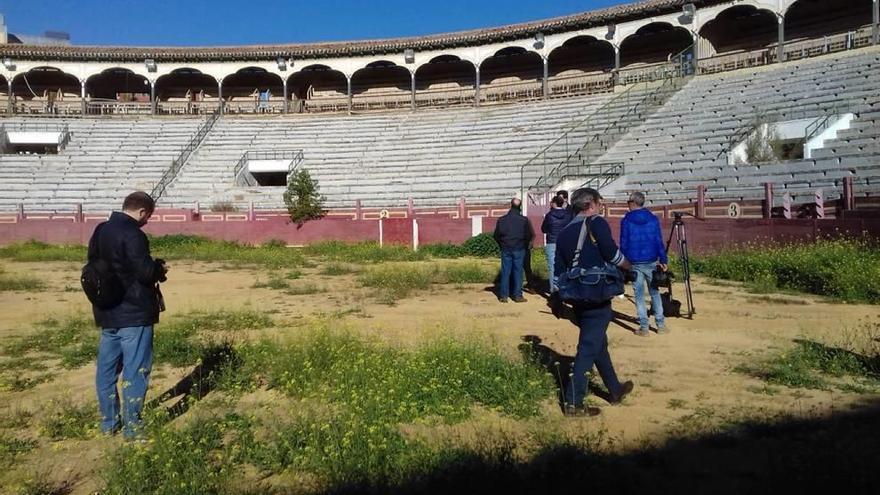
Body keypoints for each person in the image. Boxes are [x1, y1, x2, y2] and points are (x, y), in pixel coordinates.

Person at [89, 191, 168, 439]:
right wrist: (159, 268)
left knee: (106, 371)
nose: (146, 221)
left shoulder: (101, 230)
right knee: (135, 370)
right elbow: (145, 273)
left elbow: (93, 267)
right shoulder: (134, 234)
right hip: (134, 314)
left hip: (107, 311)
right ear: (142, 212)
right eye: (148, 216)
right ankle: (133, 428)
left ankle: (109, 423)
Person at [555, 188, 634, 416]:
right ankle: (573, 403)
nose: (601, 206)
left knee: (598, 342)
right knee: (589, 347)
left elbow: (559, 270)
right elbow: (611, 253)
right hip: (596, 292)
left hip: (577, 295)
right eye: (599, 202)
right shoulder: (596, 222)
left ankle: (615, 389)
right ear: (591, 204)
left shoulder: (564, 232)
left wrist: (560, 296)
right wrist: (628, 266)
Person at [620, 191, 669, 336]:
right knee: (654, 292)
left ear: (633, 203)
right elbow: (658, 241)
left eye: (628, 202)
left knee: (639, 295)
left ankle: (644, 327)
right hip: (651, 260)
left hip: (634, 262)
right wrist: (663, 259)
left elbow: (623, 243)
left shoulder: (626, 220)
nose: (628, 204)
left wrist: (623, 261)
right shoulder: (653, 219)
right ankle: (660, 325)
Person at [494, 198, 534, 303]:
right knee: (518, 271)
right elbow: (529, 235)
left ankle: (503, 296)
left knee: (506, 271)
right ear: (520, 207)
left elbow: (496, 235)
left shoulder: (502, 220)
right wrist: (524, 245)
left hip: (506, 248)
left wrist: (502, 245)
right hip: (519, 248)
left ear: (510, 205)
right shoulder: (524, 220)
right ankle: (517, 295)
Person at [541, 194, 572, 293]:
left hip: (552, 242)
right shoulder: (568, 215)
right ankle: (565, 289)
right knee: (565, 266)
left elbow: (543, 229)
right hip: (565, 242)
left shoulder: (549, 215)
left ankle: (553, 290)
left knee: (552, 267)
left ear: (554, 203)